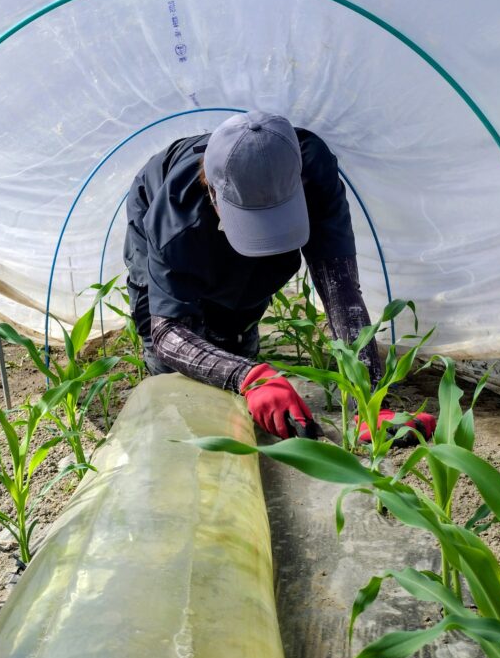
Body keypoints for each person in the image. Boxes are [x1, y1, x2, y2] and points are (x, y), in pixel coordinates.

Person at [123, 110, 408, 440]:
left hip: (239, 239)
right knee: (172, 370)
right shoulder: (176, 219)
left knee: (239, 319)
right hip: (167, 213)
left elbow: (340, 289)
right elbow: (167, 330)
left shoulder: (313, 171)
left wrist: (371, 401)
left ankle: (234, 345)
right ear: (212, 192)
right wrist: (248, 377)